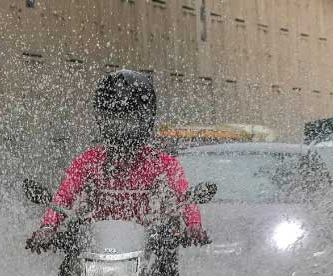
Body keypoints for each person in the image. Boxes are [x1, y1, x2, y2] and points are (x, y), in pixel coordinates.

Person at [25, 70, 210, 252]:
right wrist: (48, 227)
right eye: (114, 120)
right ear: (101, 120)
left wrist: (194, 226)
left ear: (147, 120)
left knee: (166, 265)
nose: (122, 130)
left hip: (150, 252)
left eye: (130, 121)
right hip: (93, 252)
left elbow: (184, 198)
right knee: (67, 271)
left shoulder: (163, 163)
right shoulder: (88, 161)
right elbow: (63, 197)